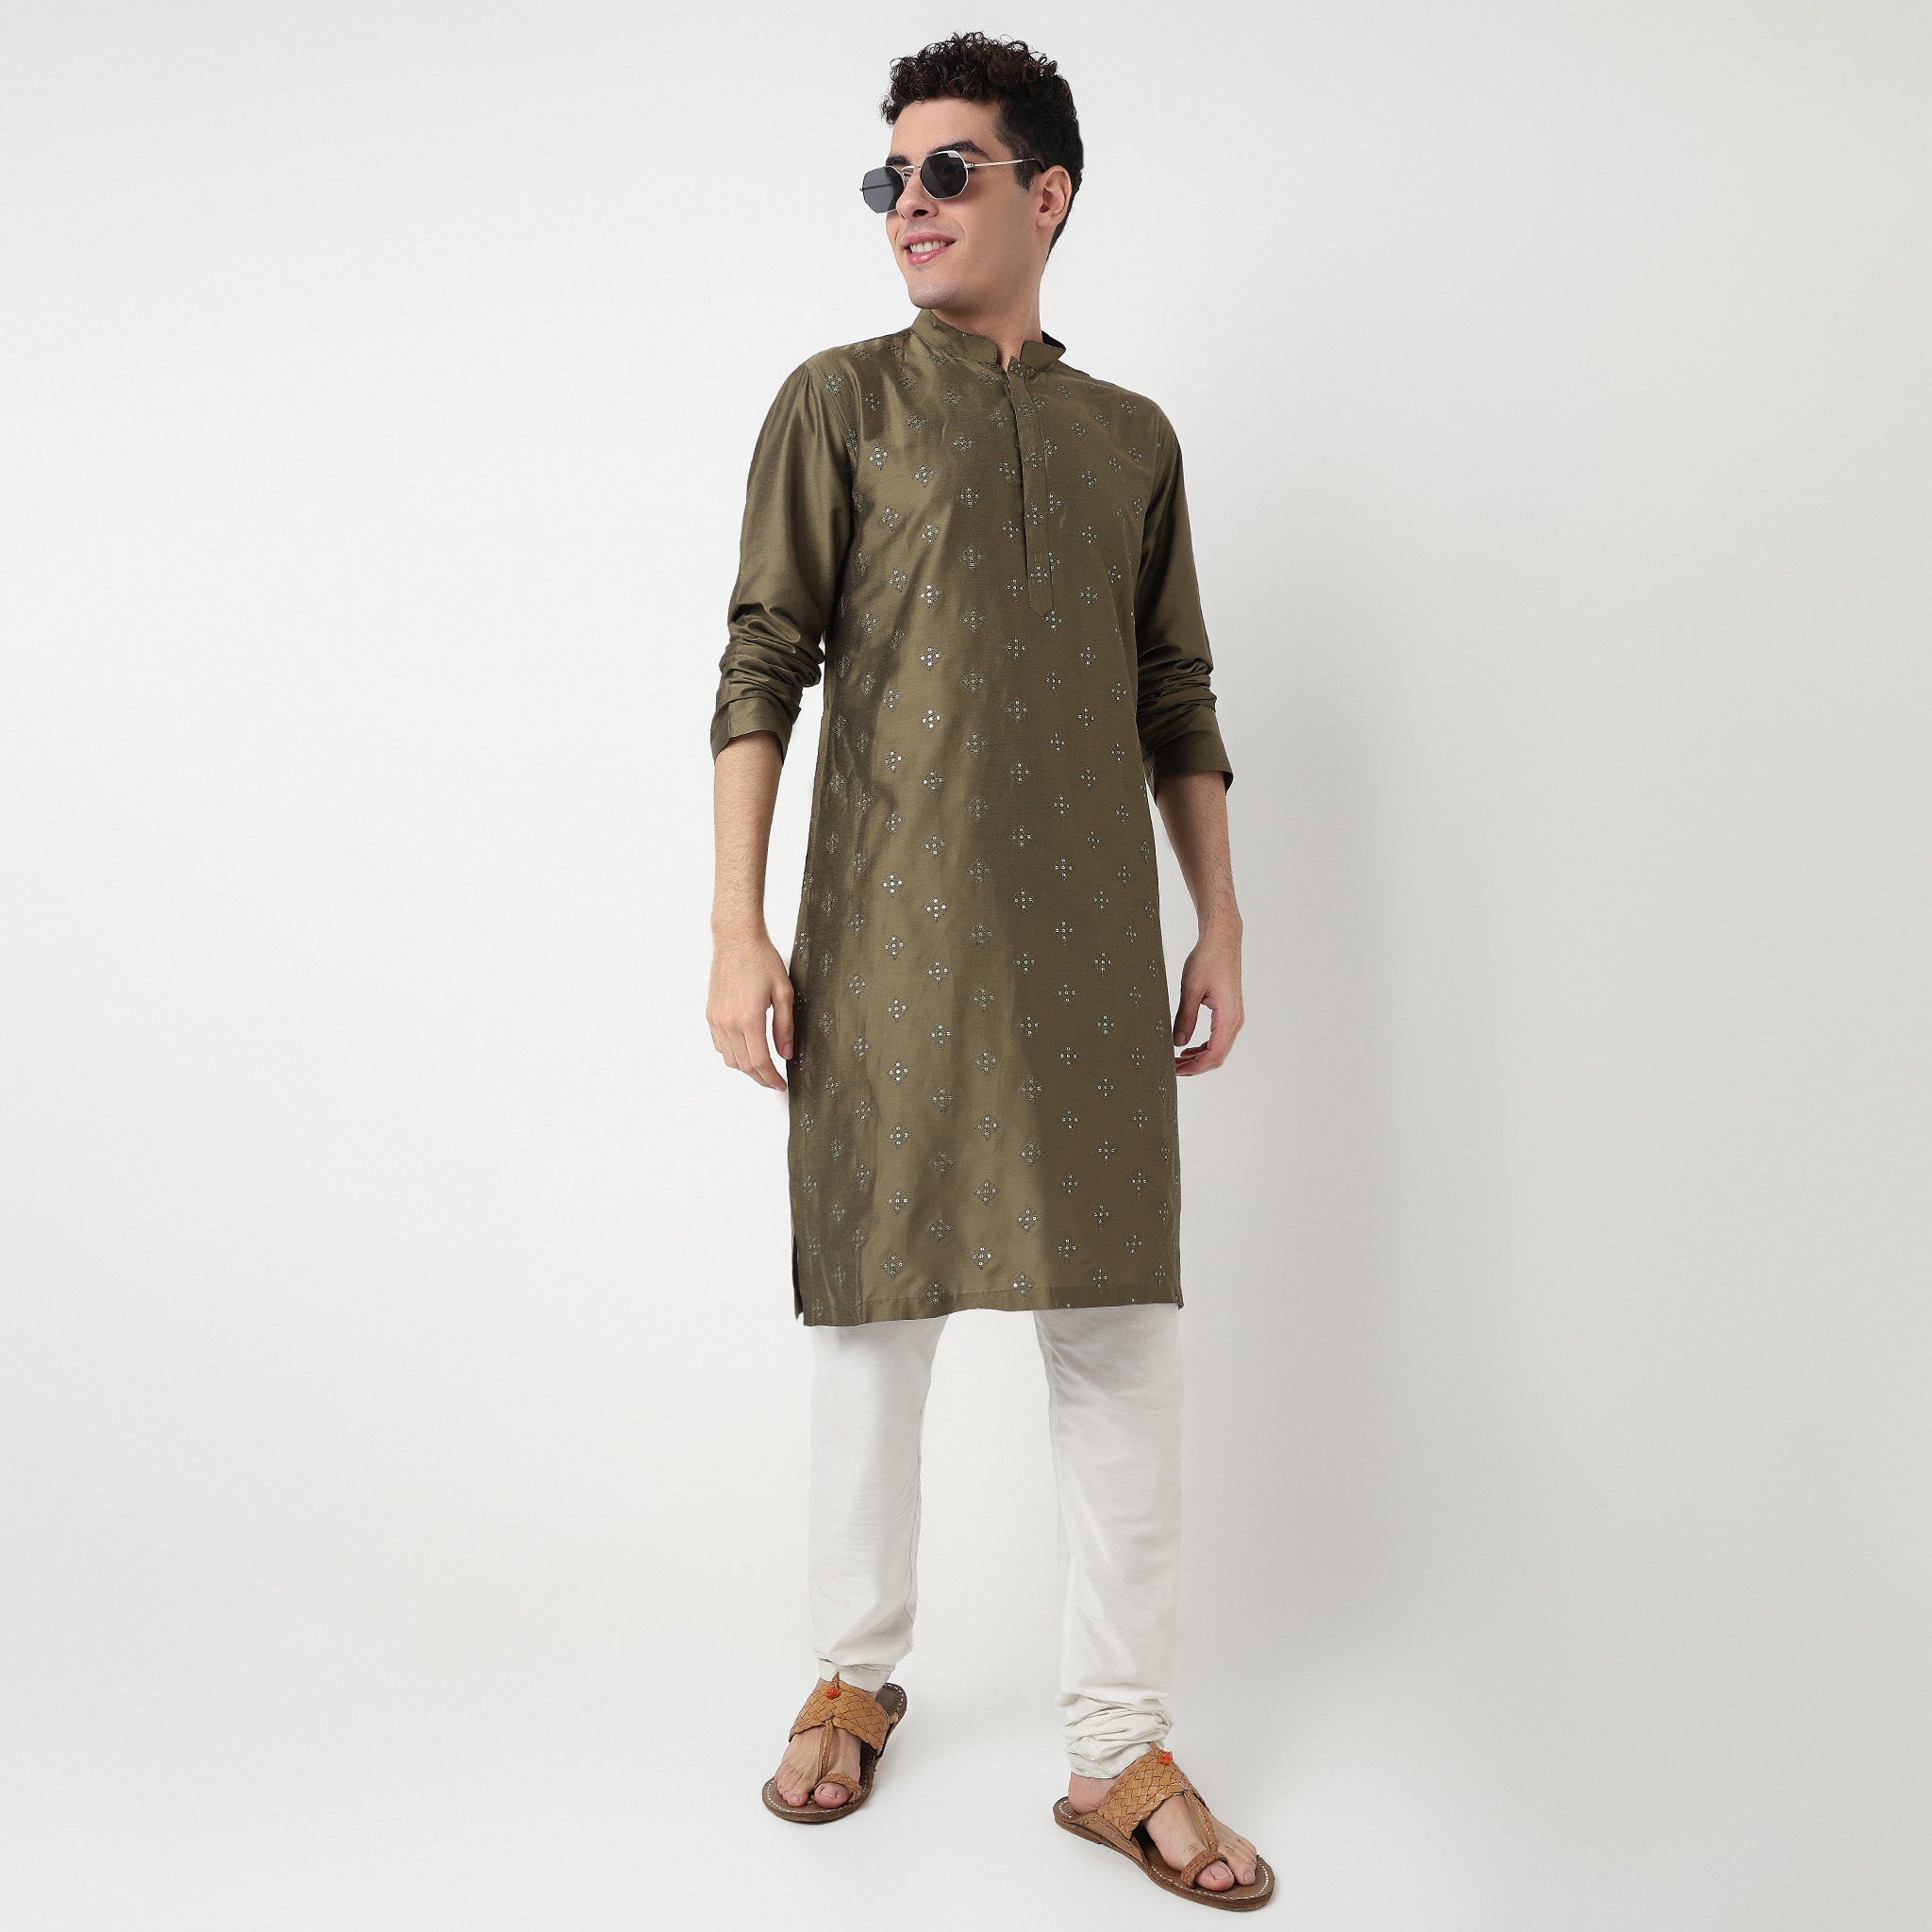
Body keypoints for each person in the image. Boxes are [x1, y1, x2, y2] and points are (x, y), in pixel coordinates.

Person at [706, 32, 1270, 1907]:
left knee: (1121, 1343)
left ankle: (1118, 1745)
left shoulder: (1130, 440)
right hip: (888, 943)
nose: (910, 206)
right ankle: (854, 1673)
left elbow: (1176, 688)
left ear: (1050, 193)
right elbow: (762, 655)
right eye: (890, 179)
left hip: (1094, 956)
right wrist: (736, 920)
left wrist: (1219, 912)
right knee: (875, 1326)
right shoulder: (839, 405)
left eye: (948, 171)